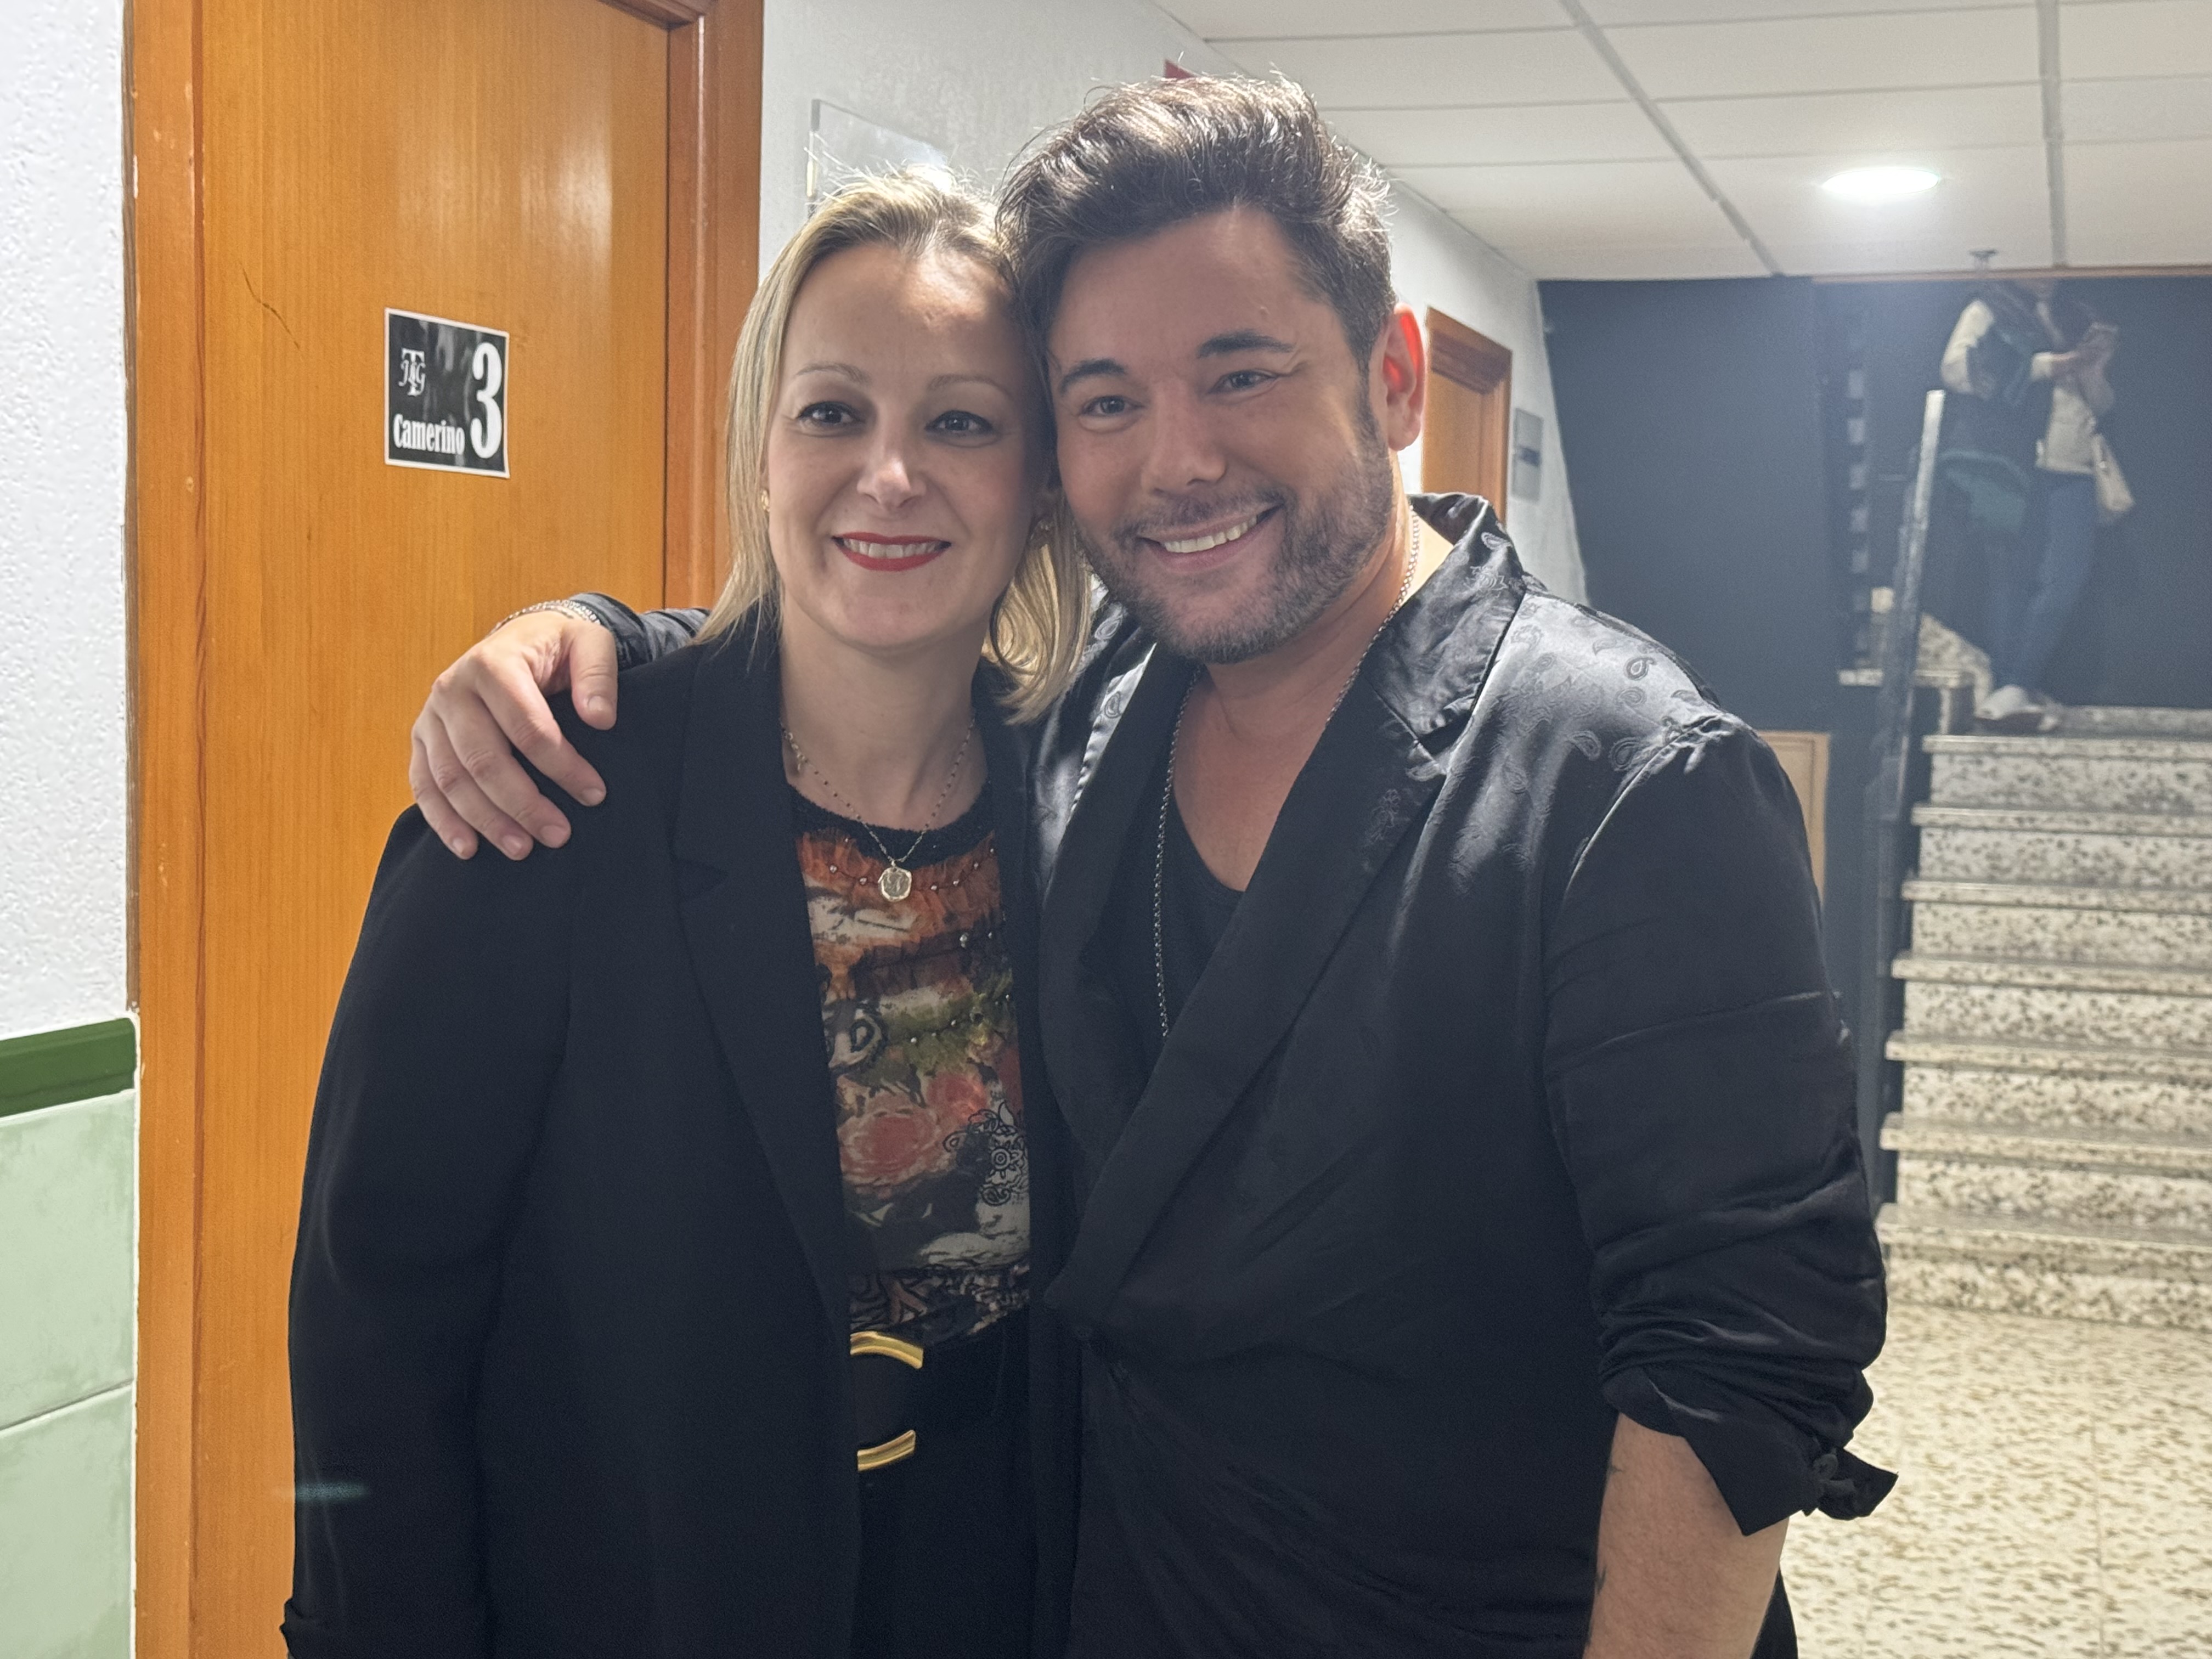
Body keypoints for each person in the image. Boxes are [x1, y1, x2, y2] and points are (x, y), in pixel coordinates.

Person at [410, 78, 1892, 1658]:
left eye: (1241, 374)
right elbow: (854, 661)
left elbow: (1740, 1362)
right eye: (1107, 401)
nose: (1178, 460)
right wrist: (597, 647)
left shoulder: (1628, 784)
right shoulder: (1087, 715)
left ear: (1393, 379)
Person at [286, 172, 1092, 1659]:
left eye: (962, 423)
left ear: (1041, 481)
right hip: (643, 1596)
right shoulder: (551, 797)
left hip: (996, 1588)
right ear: (760, 452)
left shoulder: (1085, 812)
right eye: (833, 412)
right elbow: (376, 1314)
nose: (890, 475)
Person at [1938, 277, 2119, 728]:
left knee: (2065, 578)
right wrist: (2049, 365)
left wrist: (2091, 369)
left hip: (2075, 466)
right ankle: (2012, 687)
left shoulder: (2075, 314)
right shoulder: (1992, 307)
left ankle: (2015, 684)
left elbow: (2101, 405)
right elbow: (1957, 369)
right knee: (2010, 578)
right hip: (2015, 464)